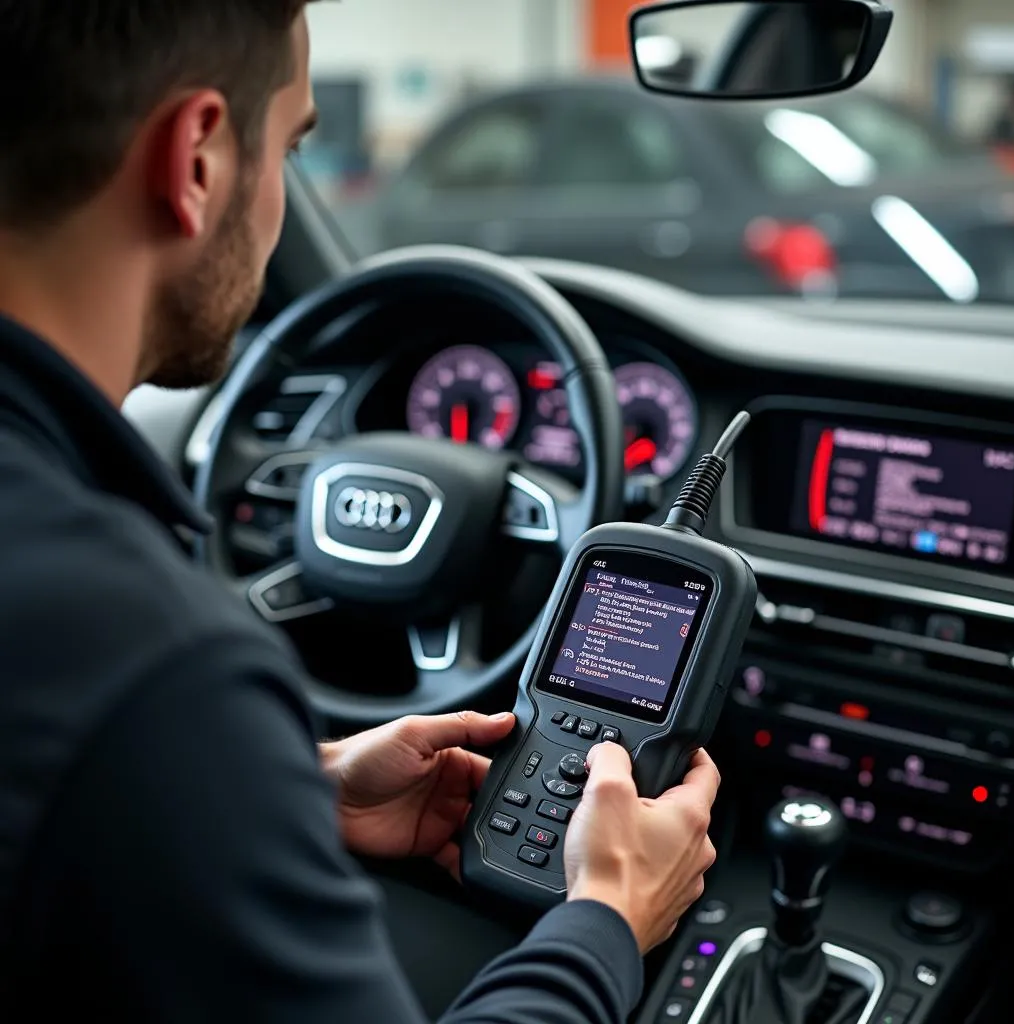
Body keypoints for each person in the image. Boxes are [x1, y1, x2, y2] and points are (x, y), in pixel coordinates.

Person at [0, 2, 720, 1021]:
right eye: (291, 149)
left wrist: (264, 787)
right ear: (197, 158)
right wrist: (606, 915)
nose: (284, 202)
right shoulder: (144, 661)